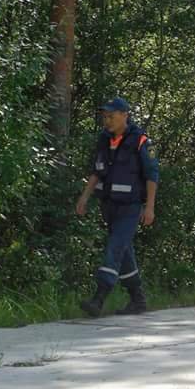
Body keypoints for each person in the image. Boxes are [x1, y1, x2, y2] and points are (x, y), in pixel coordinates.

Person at [76, 97, 159, 317]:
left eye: (111, 116)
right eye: (105, 117)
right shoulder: (104, 140)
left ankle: (98, 299)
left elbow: (152, 175)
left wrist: (149, 207)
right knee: (124, 252)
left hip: (130, 207)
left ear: (125, 116)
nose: (107, 121)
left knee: (114, 248)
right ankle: (138, 299)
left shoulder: (140, 140)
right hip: (109, 206)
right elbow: (97, 171)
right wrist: (84, 197)